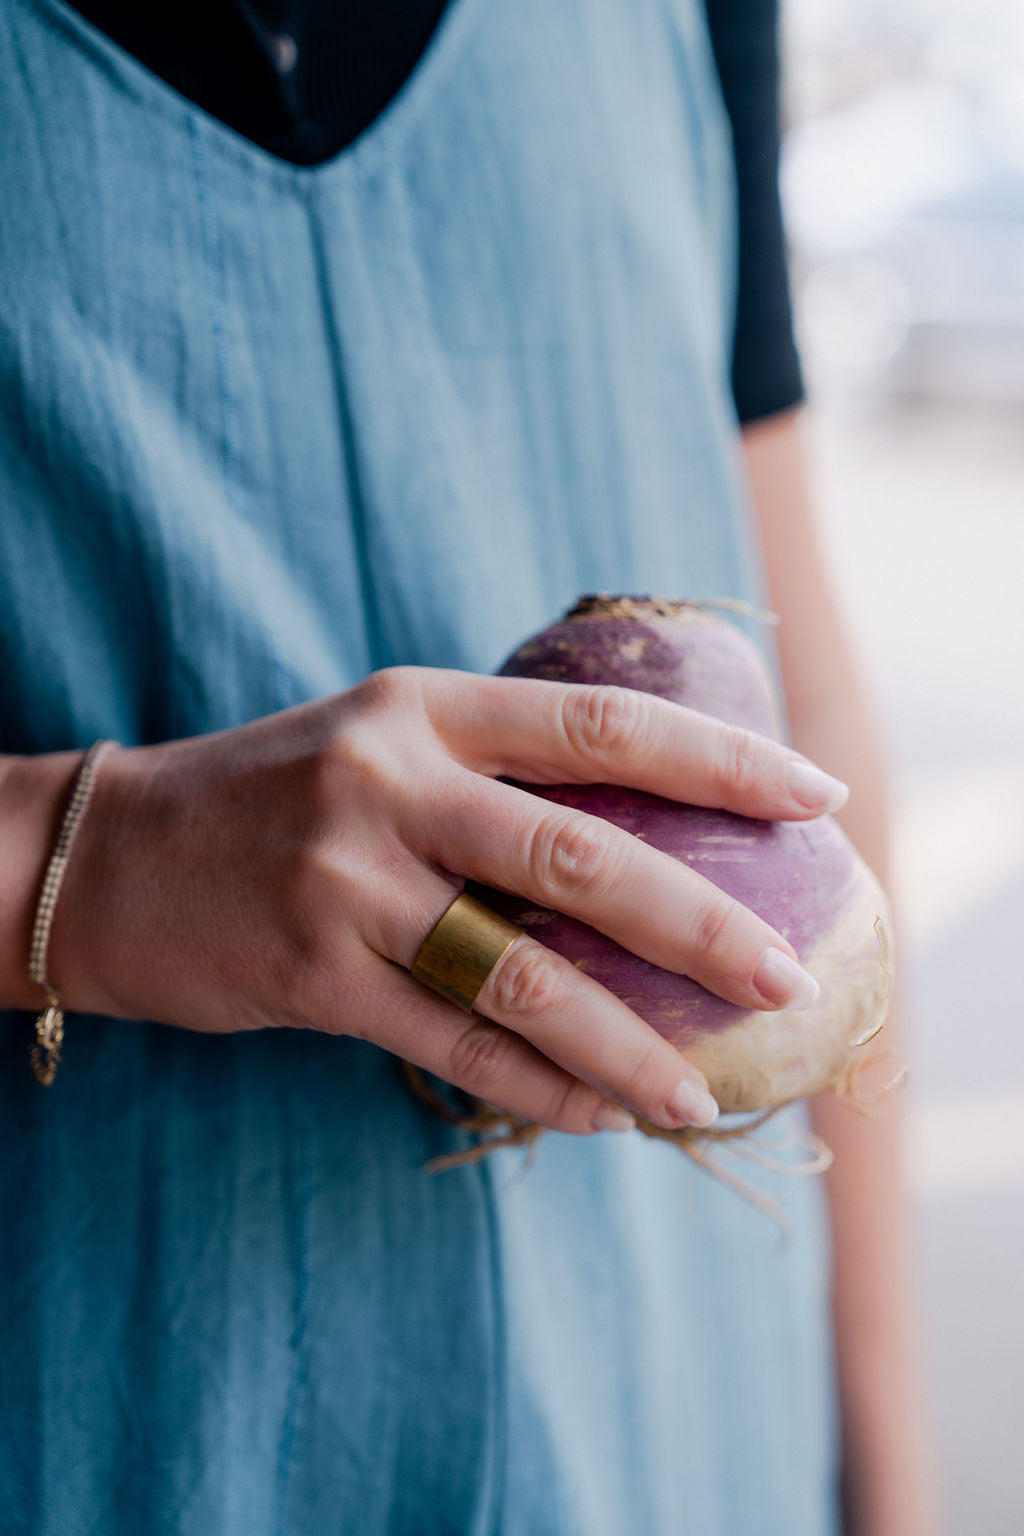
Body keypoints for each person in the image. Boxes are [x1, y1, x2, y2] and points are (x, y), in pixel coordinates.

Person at [0, 0, 935, 1531]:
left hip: (683, 1429)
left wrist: (891, 1482)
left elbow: (807, 702)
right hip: (115, 1425)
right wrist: (78, 861)